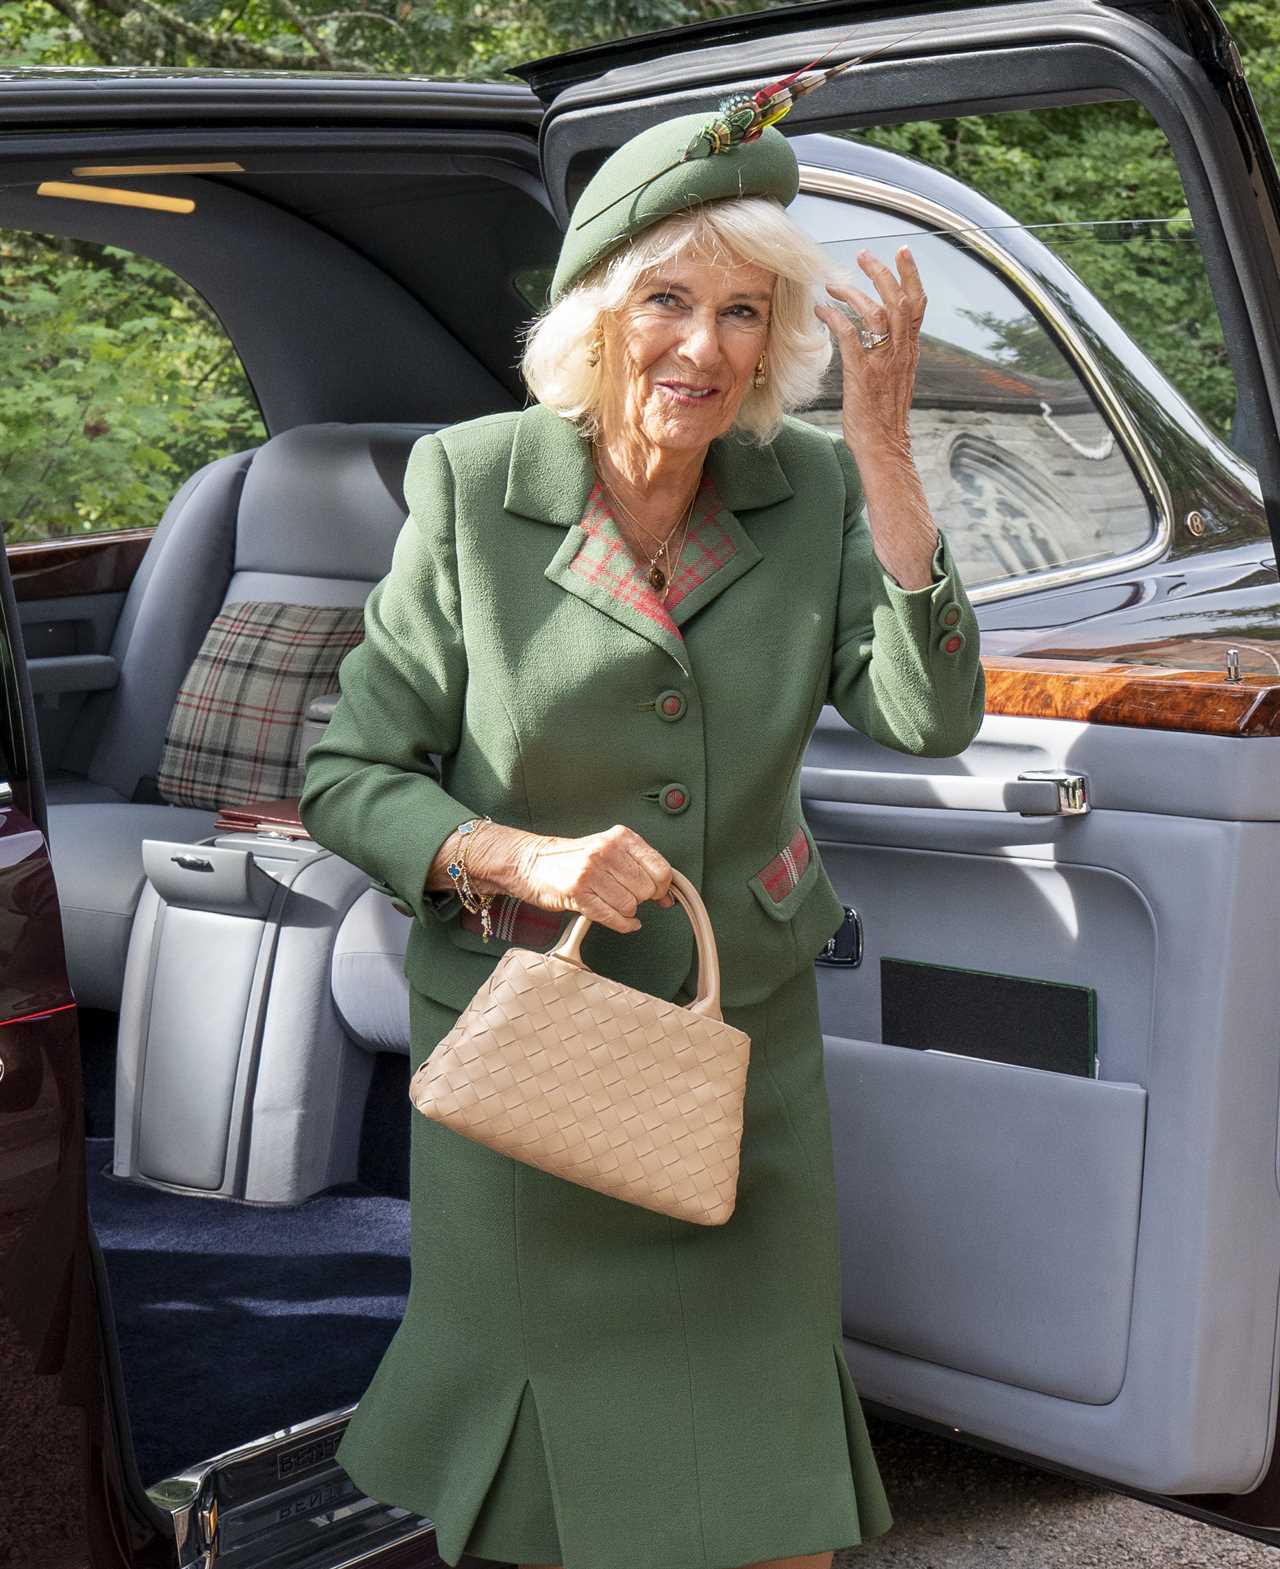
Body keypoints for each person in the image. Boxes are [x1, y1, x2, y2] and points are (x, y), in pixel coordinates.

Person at [298, 99, 985, 1569]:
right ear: (602, 311)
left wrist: (884, 455)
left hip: (737, 1049)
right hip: (527, 1051)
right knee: (548, 1509)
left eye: (746, 311)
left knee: (770, 1492)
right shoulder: (477, 486)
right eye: (668, 298)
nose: (705, 346)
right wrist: (517, 856)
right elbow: (352, 772)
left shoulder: (805, 495)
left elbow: (929, 722)